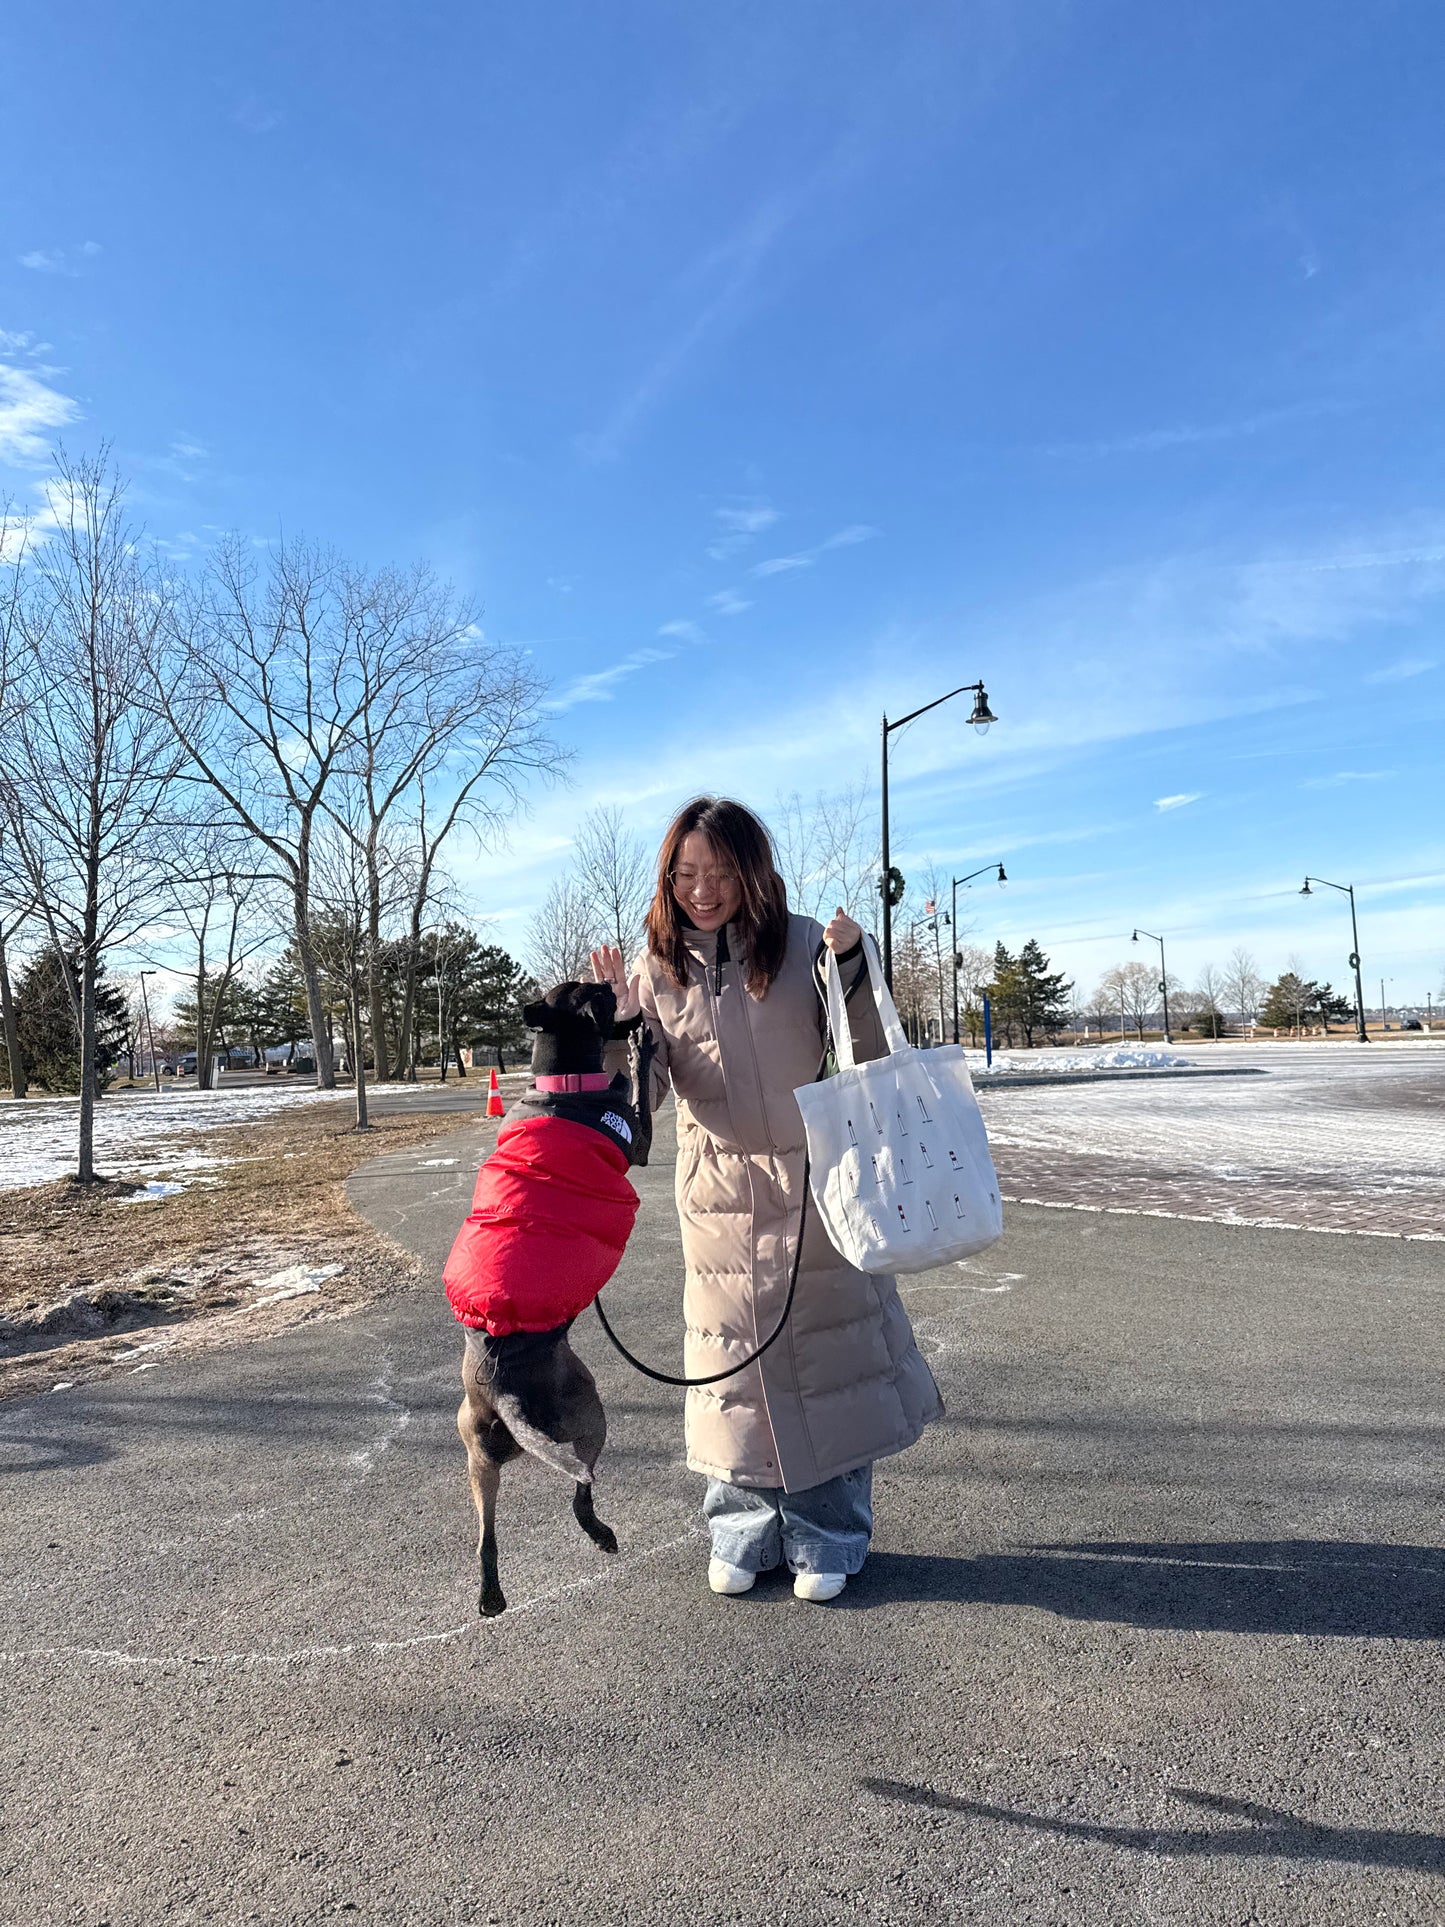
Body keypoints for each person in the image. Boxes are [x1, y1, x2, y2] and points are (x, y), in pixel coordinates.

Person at [592, 796, 942, 1604]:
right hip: (716, 1188)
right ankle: (741, 1526)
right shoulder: (656, 969)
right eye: (685, 874)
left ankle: (830, 1532)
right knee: (729, 1365)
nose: (702, 890)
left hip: (818, 1178)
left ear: (753, 871)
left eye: (718, 871)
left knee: (827, 1354)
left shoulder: (799, 948)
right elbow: (639, 1106)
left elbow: (869, 1054)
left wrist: (855, 965)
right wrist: (615, 1028)